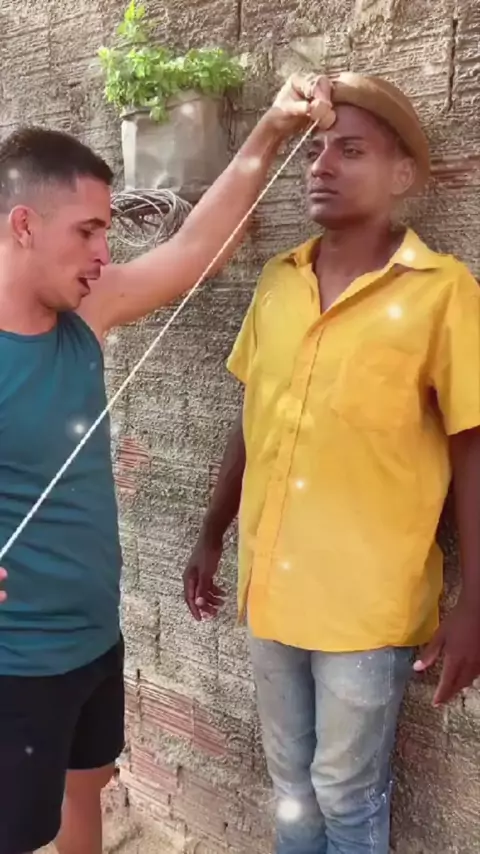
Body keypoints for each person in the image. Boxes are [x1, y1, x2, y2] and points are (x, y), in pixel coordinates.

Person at [0, 73, 333, 854]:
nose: (104, 252)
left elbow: (193, 251)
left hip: (93, 638)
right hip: (16, 666)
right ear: (23, 224)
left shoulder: (86, 312)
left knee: (87, 788)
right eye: (87, 231)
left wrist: (272, 130)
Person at [184, 71, 480, 854]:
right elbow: (251, 418)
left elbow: (472, 445)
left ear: (403, 176)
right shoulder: (278, 283)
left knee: (346, 795)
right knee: (291, 786)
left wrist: (475, 602)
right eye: (316, 150)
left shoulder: (441, 293)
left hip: (367, 607)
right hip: (272, 589)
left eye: (350, 151)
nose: (320, 166)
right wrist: (212, 532)